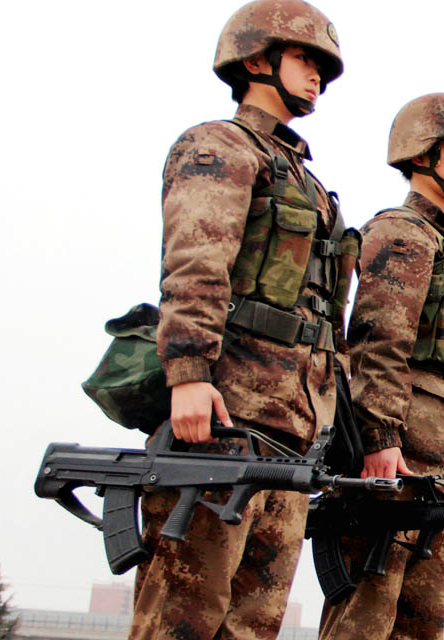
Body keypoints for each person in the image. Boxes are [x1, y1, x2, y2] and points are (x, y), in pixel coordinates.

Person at [131, 2, 348, 639]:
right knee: (182, 618)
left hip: (290, 431)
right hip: (225, 419)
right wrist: (189, 372)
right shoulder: (220, 145)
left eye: (323, 69)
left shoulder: (307, 183)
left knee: (252, 626)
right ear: (257, 60)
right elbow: (198, 261)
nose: (318, 78)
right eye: (308, 60)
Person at [319, 93, 444, 640]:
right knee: (365, 620)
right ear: (422, 153)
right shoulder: (400, 233)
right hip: (397, 459)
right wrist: (377, 436)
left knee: (421, 626)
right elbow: (378, 342)